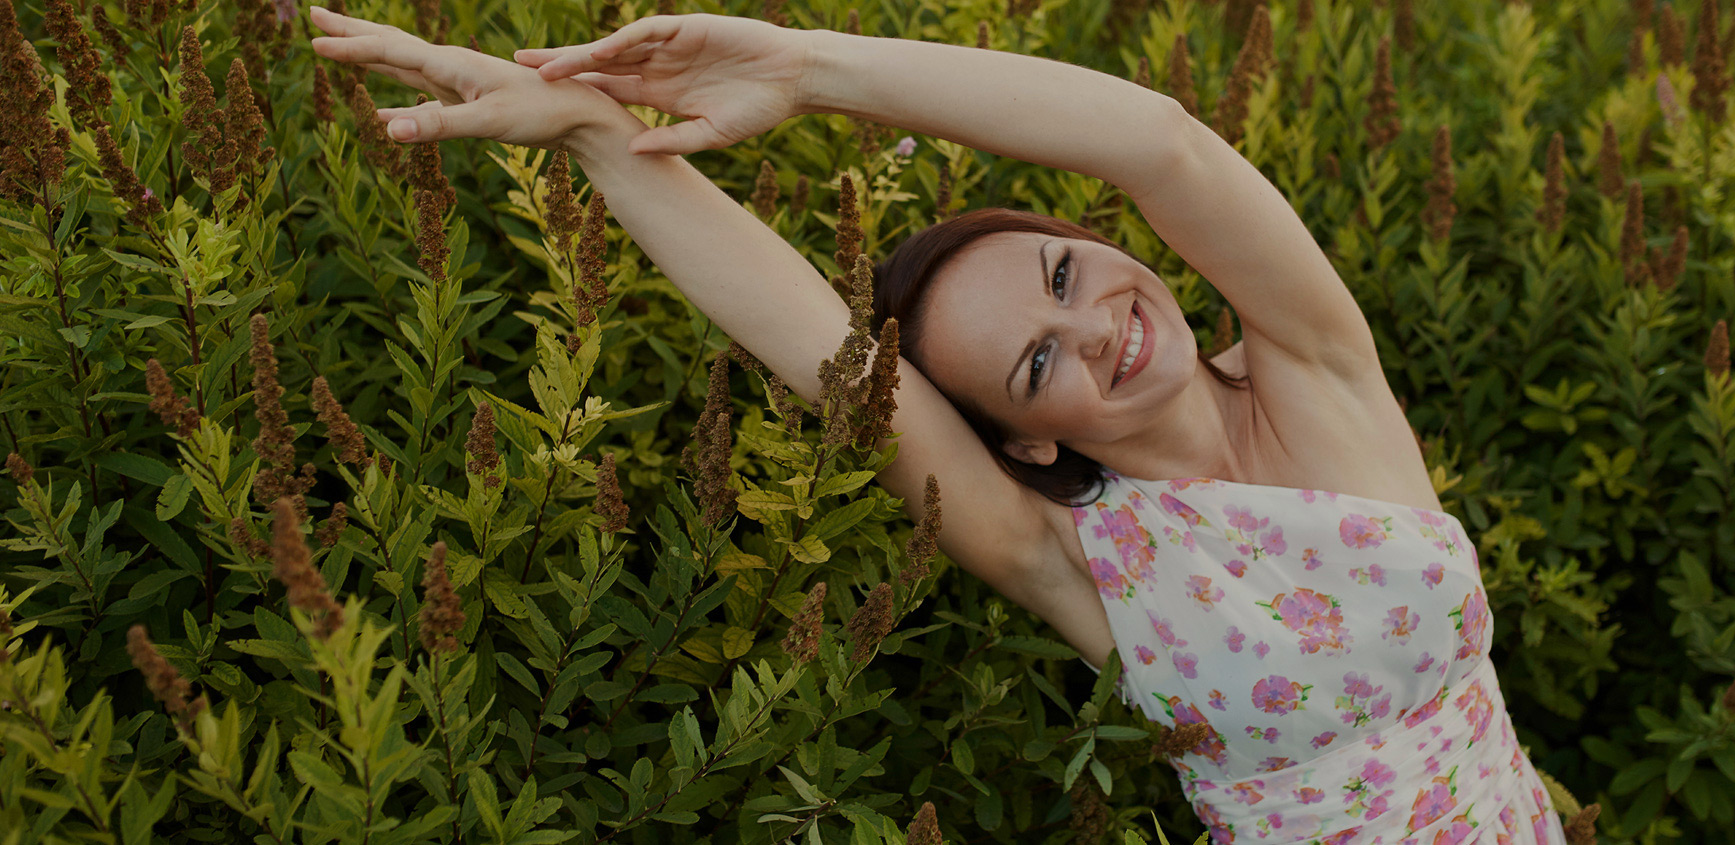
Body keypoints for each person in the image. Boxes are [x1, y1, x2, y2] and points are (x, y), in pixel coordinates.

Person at [310, 6, 1566, 842]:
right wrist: (598, 133)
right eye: (1037, 362)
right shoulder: (1077, 558)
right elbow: (830, 357)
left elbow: (1162, 146)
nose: (1093, 327)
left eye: (1063, 275)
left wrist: (807, 71)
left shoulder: (1316, 366)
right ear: (1025, 442)